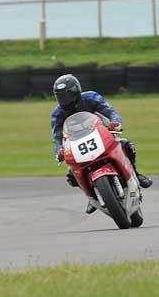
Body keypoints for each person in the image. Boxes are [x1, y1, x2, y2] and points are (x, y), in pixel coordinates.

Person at [50, 74, 153, 213]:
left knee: (126, 145)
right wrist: (59, 150)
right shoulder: (57, 113)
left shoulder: (91, 97)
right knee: (71, 174)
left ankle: (137, 175)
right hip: (77, 143)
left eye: (66, 95)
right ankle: (92, 196)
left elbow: (110, 111)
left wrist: (114, 122)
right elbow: (56, 135)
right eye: (60, 97)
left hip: (101, 134)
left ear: (76, 91)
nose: (63, 100)